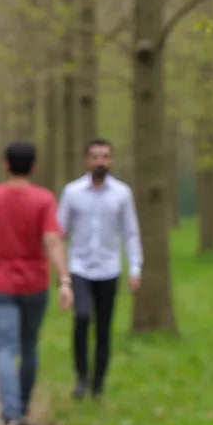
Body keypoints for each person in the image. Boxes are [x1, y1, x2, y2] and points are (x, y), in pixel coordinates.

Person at [0, 141, 73, 425]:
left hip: (0, 283)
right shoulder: (44, 199)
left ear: (5, 164)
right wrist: (64, 279)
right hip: (35, 283)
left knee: (5, 349)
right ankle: (21, 409)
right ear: (34, 166)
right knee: (29, 346)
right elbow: (53, 240)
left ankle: (10, 413)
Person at [57, 139, 143, 400]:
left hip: (109, 268)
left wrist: (135, 267)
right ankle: (81, 375)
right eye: (94, 156)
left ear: (112, 160)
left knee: (104, 328)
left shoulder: (122, 193)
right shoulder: (72, 192)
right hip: (79, 266)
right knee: (82, 318)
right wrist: (60, 271)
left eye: (105, 156)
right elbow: (60, 230)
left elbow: (130, 232)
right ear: (86, 161)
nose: (100, 162)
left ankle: (98, 385)